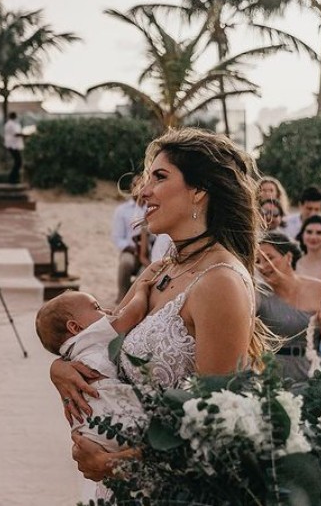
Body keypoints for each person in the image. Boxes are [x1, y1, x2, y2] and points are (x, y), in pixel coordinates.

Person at [52, 128, 267, 484]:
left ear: (199, 191)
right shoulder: (165, 265)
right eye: (147, 177)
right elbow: (106, 335)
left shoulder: (220, 282)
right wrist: (61, 368)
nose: (142, 190)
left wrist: (119, 466)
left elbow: (218, 429)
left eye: (159, 177)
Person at [35, 281, 152, 451]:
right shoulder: (93, 333)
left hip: (88, 419)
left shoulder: (69, 352)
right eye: (97, 307)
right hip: (110, 399)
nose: (108, 311)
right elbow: (134, 314)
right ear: (75, 327)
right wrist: (141, 290)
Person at [257, 232, 321, 381]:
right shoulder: (258, 293)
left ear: (289, 257)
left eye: (269, 258)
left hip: (310, 373)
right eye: (257, 261)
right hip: (270, 377)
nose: (262, 266)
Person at [111, 174, 146, 302]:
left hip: (148, 250)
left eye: (142, 185)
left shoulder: (152, 207)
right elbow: (117, 237)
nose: (139, 188)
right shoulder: (122, 210)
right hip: (129, 249)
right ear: (131, 187)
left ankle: (133, 298)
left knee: (144, 272)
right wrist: (130, 247)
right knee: (126, 263)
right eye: (135, 185)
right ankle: (122, 296)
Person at [295, 215, 321, 283]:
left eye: (319, 233)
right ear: (302, 235)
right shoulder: (294, 265)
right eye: (309, 232)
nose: (313, 237)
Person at [3, 112, 25, 184]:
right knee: (18, 162)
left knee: (17, 162)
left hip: (12, 145)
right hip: (13, 145)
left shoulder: (9, 124)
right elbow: (16, 134)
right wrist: (26, 134)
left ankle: (14, 178)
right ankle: (12, 179)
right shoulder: (11, 124)